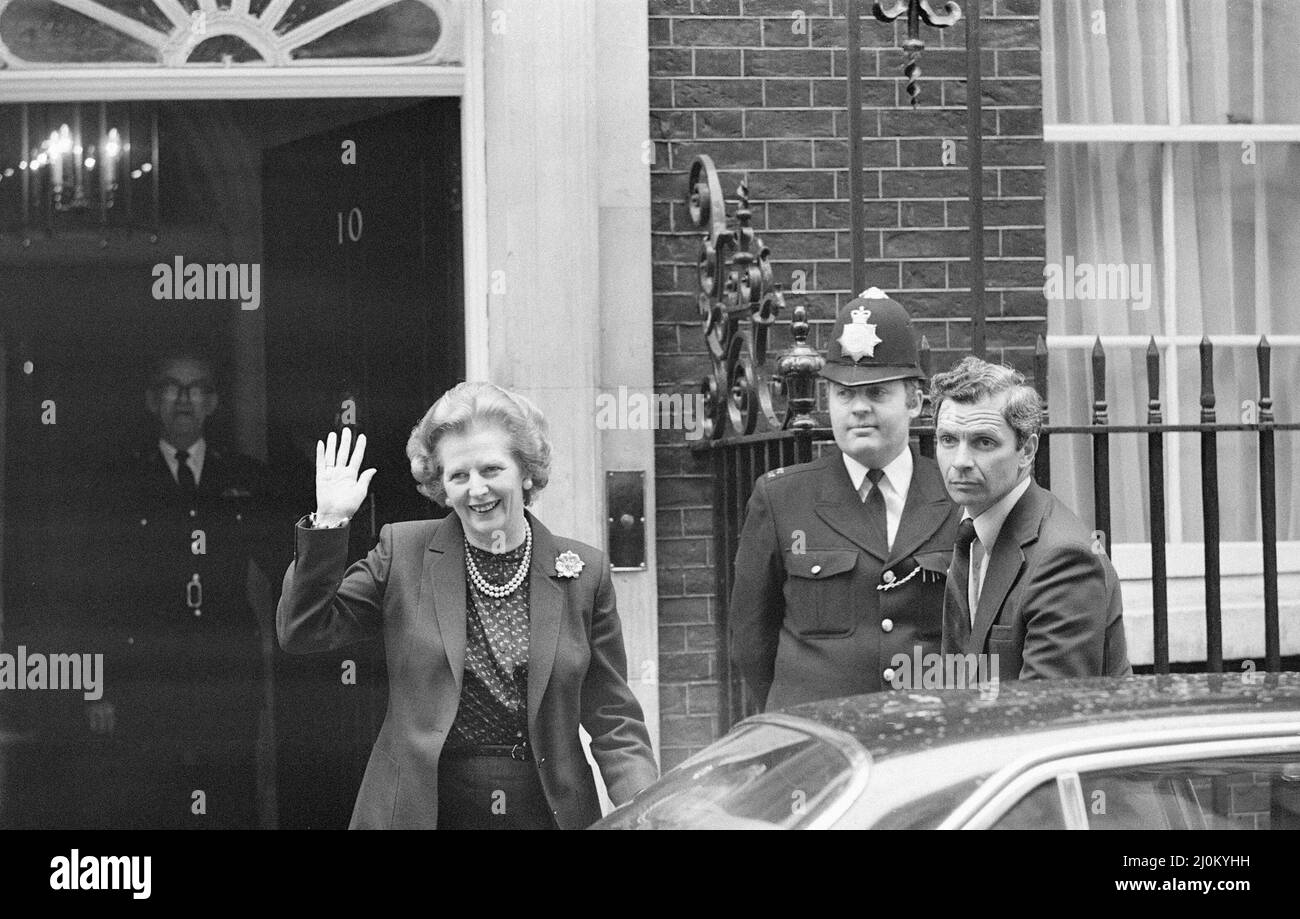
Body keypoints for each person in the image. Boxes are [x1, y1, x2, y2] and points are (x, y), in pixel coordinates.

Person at [276, 382, 658, 829]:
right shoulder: (404, 552)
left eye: (492, 469)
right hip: (427, 809)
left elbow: (613, 719)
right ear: (441, 485)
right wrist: (329, 522)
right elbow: (303, 630)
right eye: (459, 475)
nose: (477, 490)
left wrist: (649, 808)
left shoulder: (583, 572)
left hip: (543, 810)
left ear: (526, 472)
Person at [729, 289, 963, 710]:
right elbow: (751, 640)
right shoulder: (781, 498)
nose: (858, 408)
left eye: (876, 394)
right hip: (819, 744)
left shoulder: (955, 496)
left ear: (915, 402)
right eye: (844, 394)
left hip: (928, 745)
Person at [77, 349, 282, 828]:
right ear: (153, 400)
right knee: (155, 798)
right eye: (173, 386)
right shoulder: (120, 482)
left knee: (230, 794)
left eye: (197, 388)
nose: (185, 398)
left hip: (227, 670)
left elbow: (285, 568)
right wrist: (97, 685)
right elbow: (99, 590)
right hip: (149, 671)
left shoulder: (245, 477)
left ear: (212, 402)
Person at [931, 356, 1132, 680]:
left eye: (984, 442)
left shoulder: (1064, 559)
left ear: (1026, 450)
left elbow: (1046, 716)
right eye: (948, 440)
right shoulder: (972, 527)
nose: (961, 461)